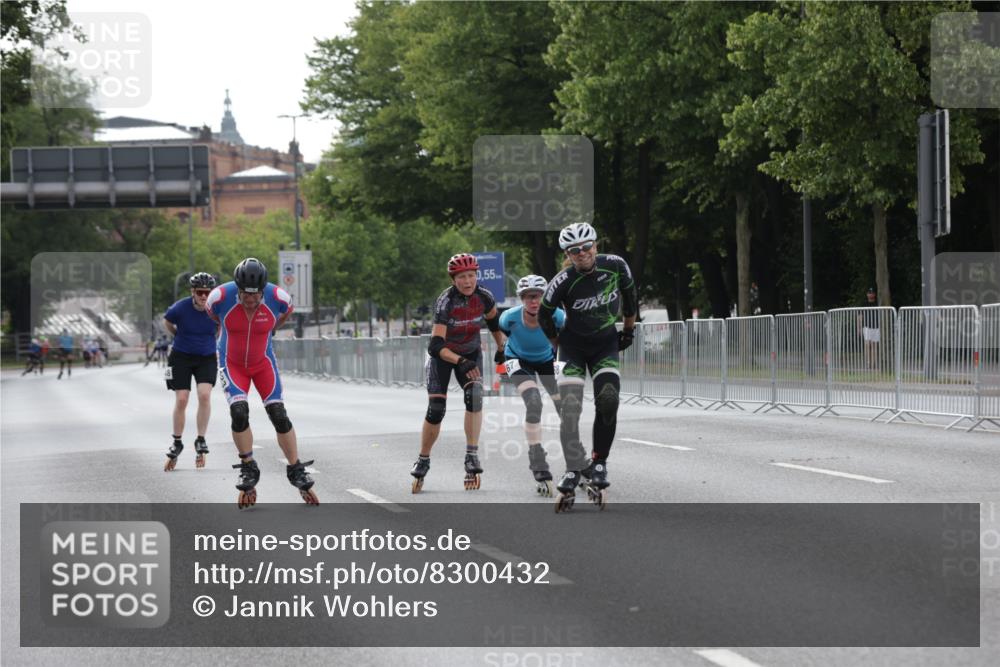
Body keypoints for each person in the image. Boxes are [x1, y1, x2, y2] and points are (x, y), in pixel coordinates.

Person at [538, 222, 638, 511]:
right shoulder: (562, 281)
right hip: (572, 347)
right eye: (574, 251)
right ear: (567, 254)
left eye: (586, 248)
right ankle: (572, 467)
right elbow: (544, 317)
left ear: (596, 245)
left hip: (605, 344)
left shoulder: (616, 265)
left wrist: (628, 332)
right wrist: (558, 345)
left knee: (608, 399)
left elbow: (630, 300)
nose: (581, 254)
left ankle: (599, 463)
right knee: (570, 407)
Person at [206, 257, 318, 507]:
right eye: (246, 295)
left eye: (256, 296)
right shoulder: (219, 298)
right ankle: (248, 466)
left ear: (264, 290)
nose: (251, 300)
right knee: (239, 412)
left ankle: (295, 467)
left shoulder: (279, 299)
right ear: (238, 288)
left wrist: (265, 329)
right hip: (231, 362)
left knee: (279, 414)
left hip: (262, 362)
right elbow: (215, 317)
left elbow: (282, 316)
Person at [410, 253, 504, 493]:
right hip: (444, 356)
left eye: (472, 275)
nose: (468, 281)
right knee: (436, 410)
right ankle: (423, 458)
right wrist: (459, 360)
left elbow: (494, 323)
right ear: (454, 280)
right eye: (462, 277)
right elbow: (435, 346)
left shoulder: (484, 296)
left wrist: (502, 348)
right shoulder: (445, 301)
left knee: (475, 396)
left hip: (470, 353)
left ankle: (471, 455)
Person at [499, 275, 565, 497]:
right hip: (517, 359)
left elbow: (564, 341)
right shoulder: (509, 317)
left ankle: (577, 459)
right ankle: (537, 460)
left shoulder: (556, 315)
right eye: (528, 298)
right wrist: (502, 353)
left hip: (546, 359)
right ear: (521, 299)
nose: (533, 302)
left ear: (544, 296)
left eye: (537, 296)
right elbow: (504, 335)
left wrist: (562, 364)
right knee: (534, 402)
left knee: (564, 408)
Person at [162, 272, 220, 471]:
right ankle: (177, 441)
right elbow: (167, 321)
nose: (204, 296)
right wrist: (177, 335)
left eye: (208, 292)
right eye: (200, 292)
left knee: (204, 396)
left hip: (206, 357)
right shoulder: (180, 307)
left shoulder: (216, 309)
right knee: (182, 399)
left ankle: (200, 439)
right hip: (181, 356)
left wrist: (213, 344)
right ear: (192, 292)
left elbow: (220, 328)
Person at [857, 287, 881, 370]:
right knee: (867, 345)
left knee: (874, 345)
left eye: (872, 293)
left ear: (874, 294)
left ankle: (873, 364)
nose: (870, 294)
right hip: (867, 327)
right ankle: (868, 363)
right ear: (867, 294)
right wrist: (859, 328)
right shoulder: (864, 304)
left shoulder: (878, 303)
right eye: (869, 293)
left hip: (876, 327)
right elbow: (860, 316)